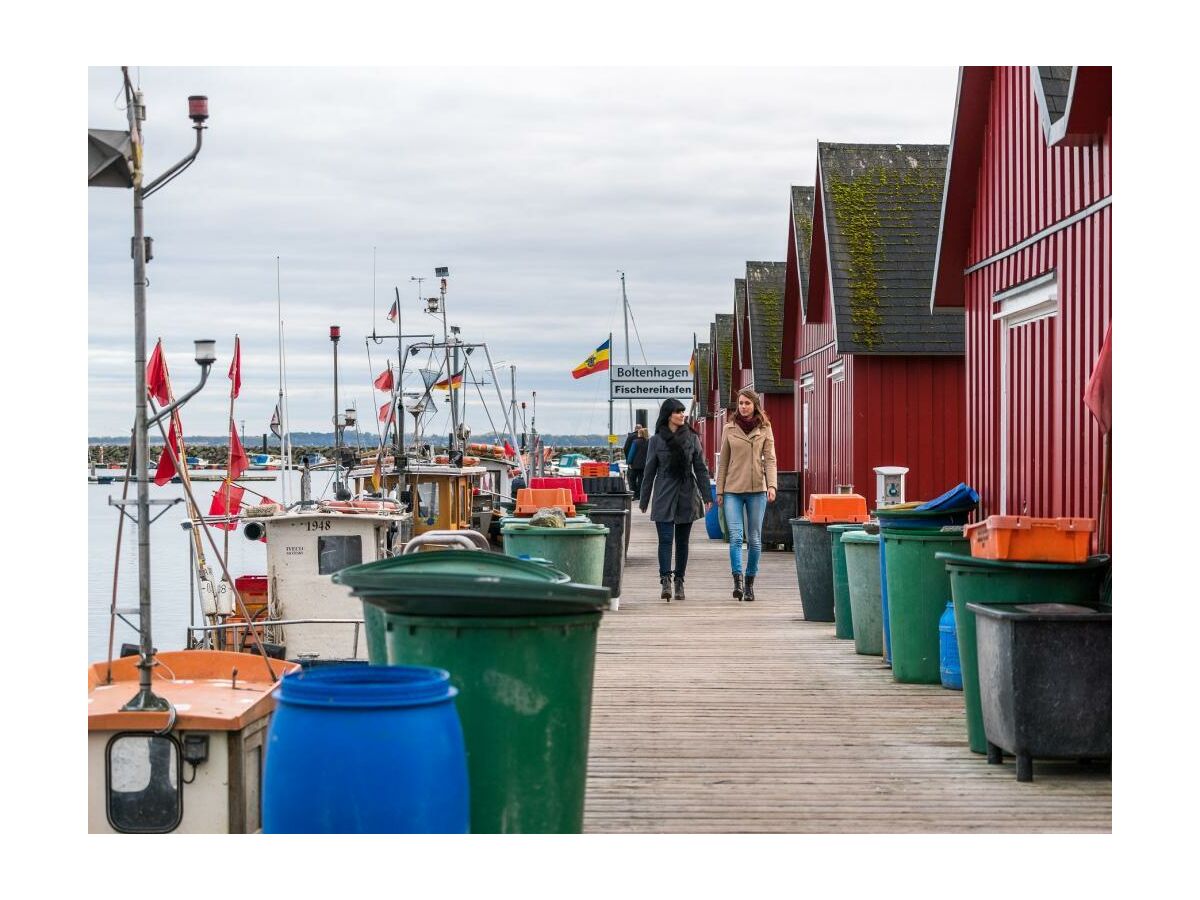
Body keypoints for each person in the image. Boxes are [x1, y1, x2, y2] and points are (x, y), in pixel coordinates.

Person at [639, 399, 712, 602]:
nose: (682, 415)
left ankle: (679, 580)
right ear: (668, 415)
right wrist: (644, 500)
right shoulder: (655, 441)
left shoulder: (692, 438)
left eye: (683, 411)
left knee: (682, 541)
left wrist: (707, 496)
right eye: (678, 412)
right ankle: (665, 580)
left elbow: (700, 468)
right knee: (664, 540)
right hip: (663, 492)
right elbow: (649, 471)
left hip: (686, 492)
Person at [716, 388, 778, 602]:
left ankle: (750, 582)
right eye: (740, 403)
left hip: (757, 490)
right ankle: (738, 580)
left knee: (754, 539)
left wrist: (772, 486)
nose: (743, 407)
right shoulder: (729, 428)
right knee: (735, 536)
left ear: (755, 405)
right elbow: (722, 461)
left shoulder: (765, 428)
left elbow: (770, 459)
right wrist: (720, 490)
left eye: (747, 403)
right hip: (732, 489)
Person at [626, 425, 649, 495]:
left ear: (640, 433)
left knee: (632, 479)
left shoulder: (635, 442)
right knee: (641, 480)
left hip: (635, 465)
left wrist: (629, 462)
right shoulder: (649, 442)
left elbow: (631, 453)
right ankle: (640, 494)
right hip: (644, 464)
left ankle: (634, 494)